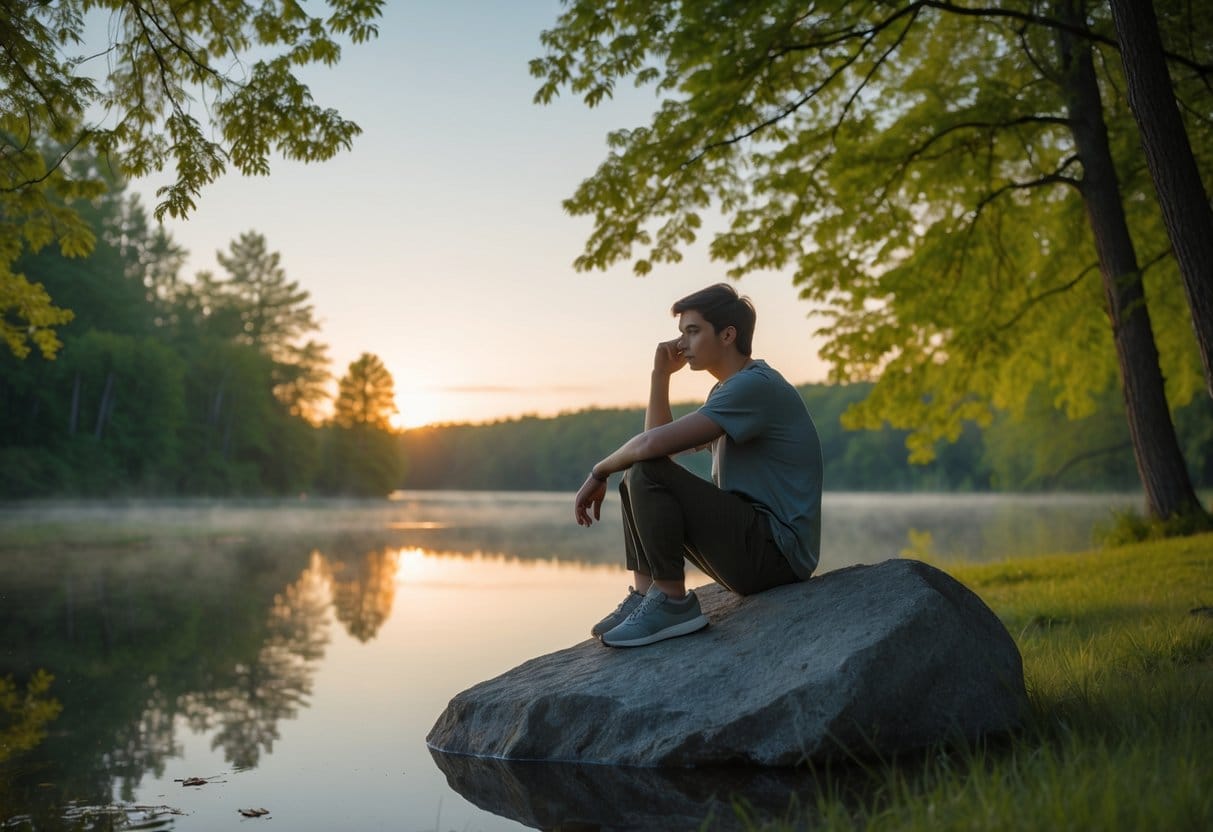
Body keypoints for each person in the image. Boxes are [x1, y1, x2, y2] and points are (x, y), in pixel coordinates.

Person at [574, 283, 823, 648]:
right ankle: (648, 597)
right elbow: (656, 448)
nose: (681, 344)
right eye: (681, 333)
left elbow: (650, 447)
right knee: (639, 469)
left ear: (727, 335)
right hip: (755, 548)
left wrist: (599, 471)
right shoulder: (726, 391)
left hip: (777, 554)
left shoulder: (755, 387)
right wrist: (661, 377)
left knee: (642, 467)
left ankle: (673, 602)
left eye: (692, 331)